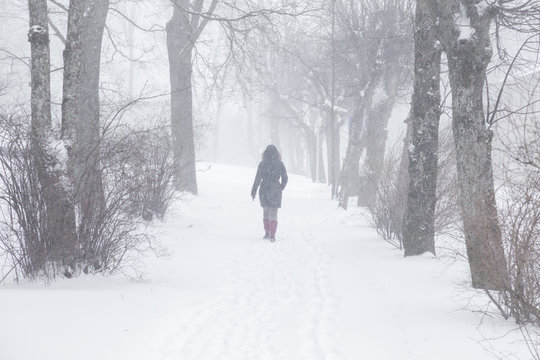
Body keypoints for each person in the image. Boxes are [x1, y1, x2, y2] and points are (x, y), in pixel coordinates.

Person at [251, 145, 288, 242]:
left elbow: (258, 178)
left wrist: (254, 190)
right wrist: (281, 187)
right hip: (276, 190)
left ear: (265, 153)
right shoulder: (280, 164)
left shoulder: (262, 164)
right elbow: (285, 178)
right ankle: (273, 235)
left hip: (264, 189)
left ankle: (267, 232)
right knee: (274, 213)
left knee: (266, 211)